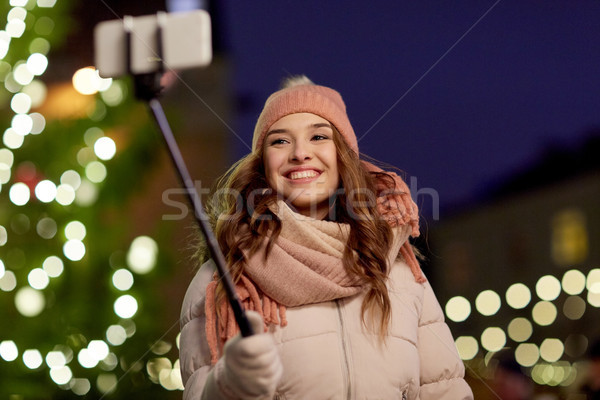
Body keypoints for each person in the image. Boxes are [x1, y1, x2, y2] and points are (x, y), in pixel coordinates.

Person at [179, 76, 473, 399]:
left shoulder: (397, 268)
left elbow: (446, 389)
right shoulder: (225, 275)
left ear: (342, 156)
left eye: (318, 136)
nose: (300, 153)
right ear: (262, 164)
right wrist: (228, 386)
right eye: (279, 141)